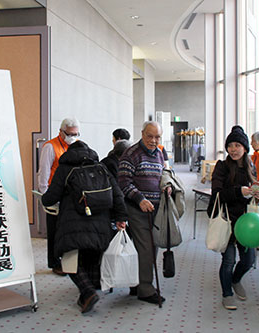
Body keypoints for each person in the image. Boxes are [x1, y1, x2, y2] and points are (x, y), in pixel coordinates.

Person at [41, 141, 128, 314]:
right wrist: (121, 217)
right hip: (101, 222)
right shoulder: (100, 167)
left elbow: (51, 197)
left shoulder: (64, 169)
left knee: (69, 259)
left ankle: (87, 292)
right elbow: (117, 193)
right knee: (92, 254)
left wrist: (43, 199)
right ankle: (92, 287)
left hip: (72, 223)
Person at [207, 125, 259, 310]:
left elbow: (255, 191)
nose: (233, 149)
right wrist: (239, 191)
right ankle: (227, 293)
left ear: (245, 148)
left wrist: (257, 194)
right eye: (230, 145)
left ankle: (236, 280)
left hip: (246, 222)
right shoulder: (222, 167)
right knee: (228, 260)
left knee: (248, 260)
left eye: (238, 145)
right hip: (227, 220)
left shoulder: (250, 166)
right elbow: (217, 195)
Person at [118, 121, 169, 304]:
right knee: (146, 248)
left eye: (157, 137)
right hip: (136, 208)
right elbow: (123, 183)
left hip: (155, 208)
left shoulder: (159, 154)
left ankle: (137, 284)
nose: (153, 141)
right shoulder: (130, 154)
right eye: (150, 136)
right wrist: (140, 199)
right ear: (142, 133)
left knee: (151, 246)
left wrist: (166, 187)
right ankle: (146, 290)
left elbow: (162, 175)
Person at [37, 117, 80, 275]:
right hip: (54, 194)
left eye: (75, 134)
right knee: (54, 229)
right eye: (69, 134)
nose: (73, 136)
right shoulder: (50, 147)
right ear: (61, 132)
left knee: (67, 229)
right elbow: (43, 173)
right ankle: (54, 262)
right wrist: (45, 196)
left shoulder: (76, 146)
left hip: (70, 195)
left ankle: (67, 261)